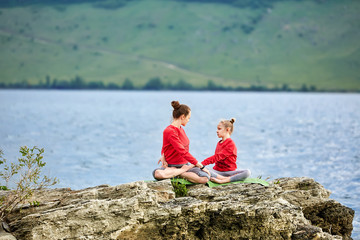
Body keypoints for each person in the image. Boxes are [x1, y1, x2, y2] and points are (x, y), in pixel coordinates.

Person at [152, 101, 210, 184]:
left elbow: (170, 146)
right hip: (171, 166)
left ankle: (180, 173)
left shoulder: (181, 129)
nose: (188, 120)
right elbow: (181, 150)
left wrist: (187, 167)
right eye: (188, 118)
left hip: (185, 165)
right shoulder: (169, 131)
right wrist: (200, 165)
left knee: (205, 178)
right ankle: (181, 172)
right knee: (157, 174)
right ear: (183, 117)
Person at [202, 118, 251, 184]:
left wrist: (201, 164)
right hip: (217, 171)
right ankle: (221, 178)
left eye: (219, 129)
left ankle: (225, 180)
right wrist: (200, 166)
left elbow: (217, 157)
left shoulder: (230, 144)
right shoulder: (219, 143)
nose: (217, 131)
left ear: (227, 129)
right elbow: (215, 159)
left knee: (247, 172)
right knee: (202, 169)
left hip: (228, 173)